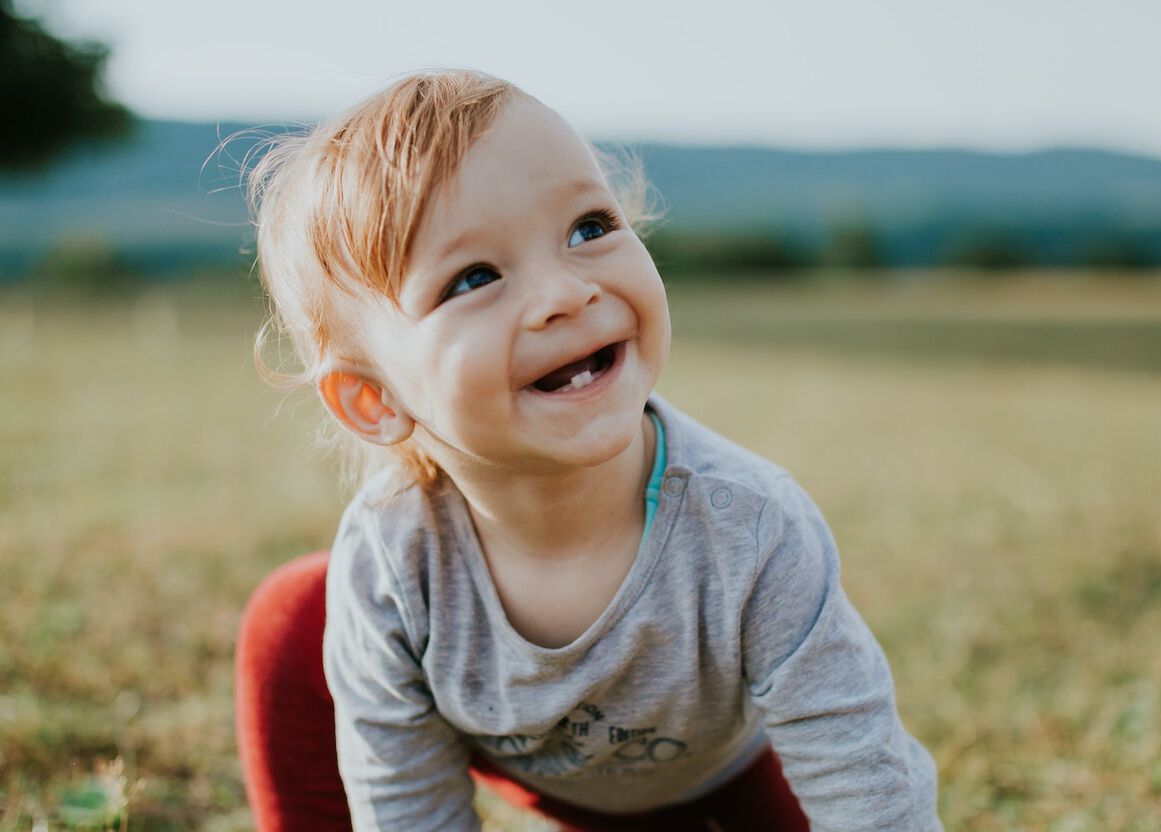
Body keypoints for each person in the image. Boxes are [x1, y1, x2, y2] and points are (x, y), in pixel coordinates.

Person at [234, 70, 941, 832]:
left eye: (589, 228)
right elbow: (406, 806)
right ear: (374, 401)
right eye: (474, 277)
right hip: (545, 781)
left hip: (728, 773)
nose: (565, 293)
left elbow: (865, 783)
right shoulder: (396, 557)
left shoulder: (754, 530)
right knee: (296, 613)